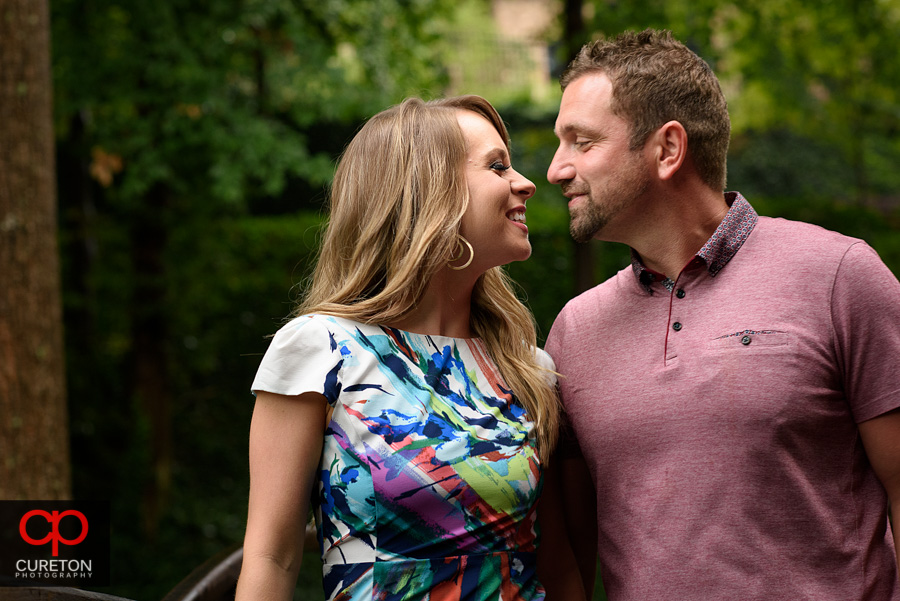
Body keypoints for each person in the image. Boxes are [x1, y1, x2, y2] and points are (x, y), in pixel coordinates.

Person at [544, 29, 900, 600]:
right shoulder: (574, 331)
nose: (556, 170)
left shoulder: (840, 276)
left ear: (667, 149)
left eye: (581, 142)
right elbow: (569, 556)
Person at [235, 95, 579, 601]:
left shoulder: (530, 370)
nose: (526, 182)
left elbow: (556, 563)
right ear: (427, 191)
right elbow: (273, 557)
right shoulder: (322, 351)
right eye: (497, 165)